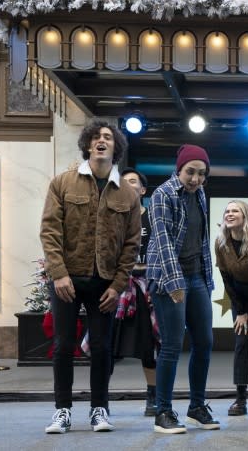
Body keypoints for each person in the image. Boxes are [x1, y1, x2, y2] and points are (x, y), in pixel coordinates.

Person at [40, 120, 141, 434]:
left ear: (116, 148)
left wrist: (118, 284)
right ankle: (62, 411)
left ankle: (100, 409)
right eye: (96, 137)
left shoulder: (128, 193)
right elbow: (50, 231)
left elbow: (132, 243)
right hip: (66, 280)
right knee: (63, 345)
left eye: (108, 137)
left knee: (101, 347)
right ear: (86, 144)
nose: (101, 141)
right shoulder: (62, 183)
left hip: (105, 283)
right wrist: (58, 275)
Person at [147, 144, 220, 434]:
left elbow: (201, 239)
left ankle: (196, 407)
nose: (195, 179)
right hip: (167, 277)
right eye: (190, 172)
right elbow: (163, 241)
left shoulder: (199, 193)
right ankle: (163, 411)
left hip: (196, 276)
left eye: (201, 174)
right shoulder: (162, 195)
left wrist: (206, 278)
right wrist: (175, 284)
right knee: (172, 345)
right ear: (179, 169)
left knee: (204, 342)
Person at [112, 168, 160, 417]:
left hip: (147, 286)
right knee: (107, 344)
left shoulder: (152, 217)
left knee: (149, 345)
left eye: (132, 182)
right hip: (118, 286)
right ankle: (100, 401)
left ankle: (154, 396)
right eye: (123, 182)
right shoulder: (112, 217)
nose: (127, 185)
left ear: (142, 190)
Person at [214, 200, 248, 416]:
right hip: (239, 296)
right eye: (227, 211)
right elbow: (226, 279)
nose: (229, 214)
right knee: (241, 342)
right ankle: (240, 399)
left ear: (245, 216)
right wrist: (242, 312)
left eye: (235, 210)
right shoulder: (221, 243)